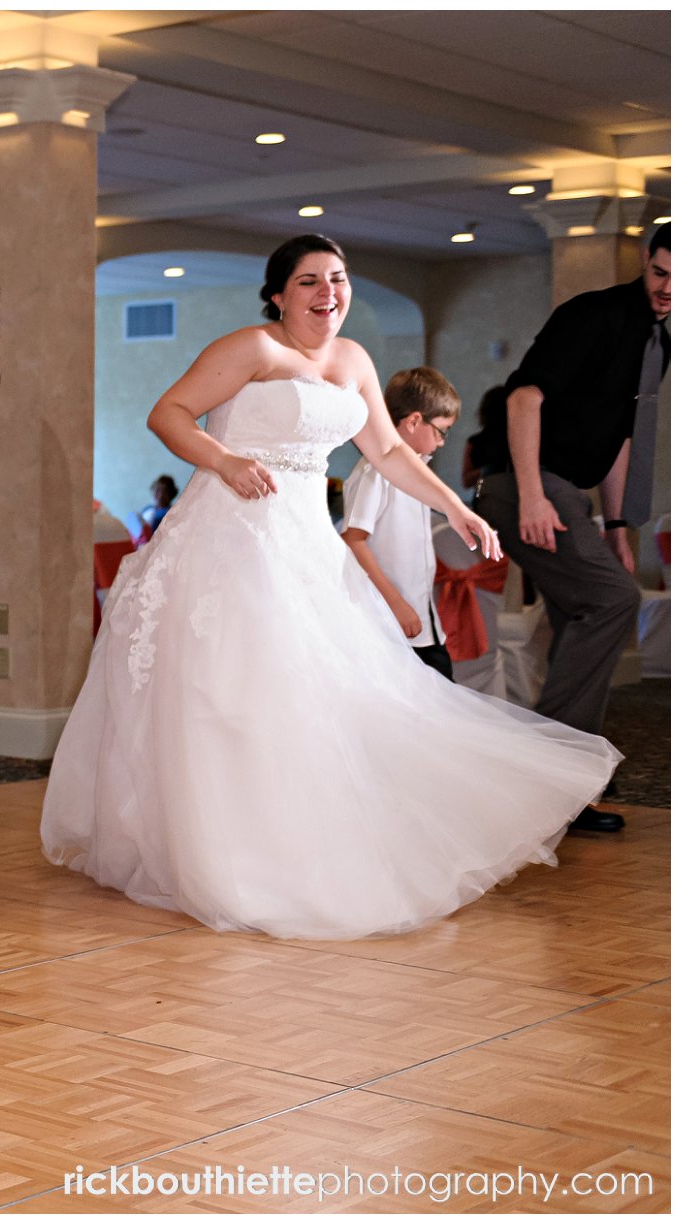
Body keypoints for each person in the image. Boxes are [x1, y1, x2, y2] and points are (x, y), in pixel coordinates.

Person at [40, 234, 621, 941]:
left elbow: (387, 450)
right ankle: (222, 851)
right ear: (279, 294)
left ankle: (302, 834)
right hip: (230, 534)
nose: (328, 293)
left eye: (338, 280)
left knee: (327, 687)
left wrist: (456, 507)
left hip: (306, 542)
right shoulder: (252, 349)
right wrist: (225, 460)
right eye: (310, 281)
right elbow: (167, 413)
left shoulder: (353, 360)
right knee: (232, 691)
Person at [474, 223, 669, 833]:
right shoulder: (596, 315)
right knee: (614, 600)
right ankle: (546, 774)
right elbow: (522, 399)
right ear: (645, 261)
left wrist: (616, 522)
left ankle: (560, 796)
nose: (669, 288)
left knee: (579, 620)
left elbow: (622, 438)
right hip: (525, 486)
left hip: (568, 493)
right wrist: (533, 495)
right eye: (662, 273)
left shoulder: (656, 341)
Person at [341, 367, 461, 680]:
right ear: (413, 422)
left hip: (422, 618)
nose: (443, 442)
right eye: (441, 431)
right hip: (389, 619)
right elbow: (353, 541)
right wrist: (396, 603)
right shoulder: (375, 472)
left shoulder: (418, 473)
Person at [460, 385, 510, 493]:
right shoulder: (475, 442)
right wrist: (485, 470)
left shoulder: (514, 442)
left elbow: (466, 481)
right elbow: (466, 481)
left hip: (490, 494)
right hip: (484, 493)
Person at [138, 474, 177, 539]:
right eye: (158, 489)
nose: (160, 495)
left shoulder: (171, 513)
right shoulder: (148, 508)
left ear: (171, 494)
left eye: (164, 491)